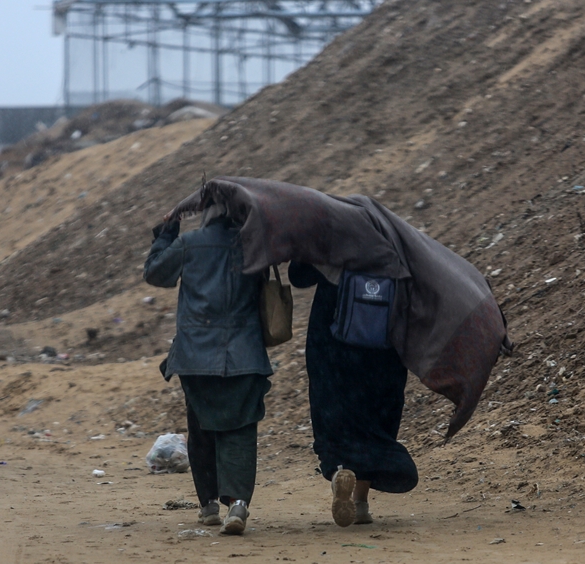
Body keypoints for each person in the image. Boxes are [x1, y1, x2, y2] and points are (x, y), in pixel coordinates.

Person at [144, 200, 272, 536]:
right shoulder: (254, 246)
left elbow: (155, 273)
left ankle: (208, 506)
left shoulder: (190, 243)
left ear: (208, 213)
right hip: (245, 354)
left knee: (201, 427)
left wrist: (168, 230)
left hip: (196, 355)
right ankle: (239, 505)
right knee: (241, 429)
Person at [288, 262, 418, 526]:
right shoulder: (390, 235)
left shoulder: (329, 235)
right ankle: (360, 502)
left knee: (332, 410)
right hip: (384, 340)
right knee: (377, 417)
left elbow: (298, 276)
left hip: (332, 337)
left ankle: (339, 471)